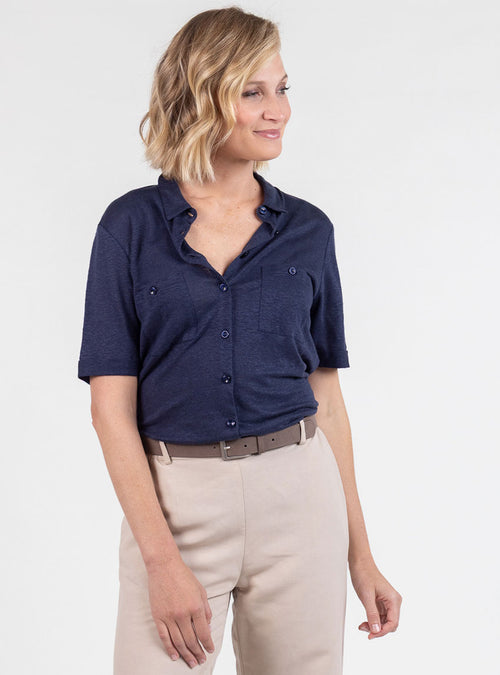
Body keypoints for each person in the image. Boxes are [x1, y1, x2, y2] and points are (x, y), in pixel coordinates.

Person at [77, 6, 402, 674]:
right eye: (252, 92)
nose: (277, 110)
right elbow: (110, 408)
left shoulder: (309, 231)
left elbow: (327, 400)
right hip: (176, 506)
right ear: (200, 96)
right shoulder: (129, 228)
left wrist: (361, 555)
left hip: (300, 498)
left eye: (281, 88)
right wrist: (161, 561)